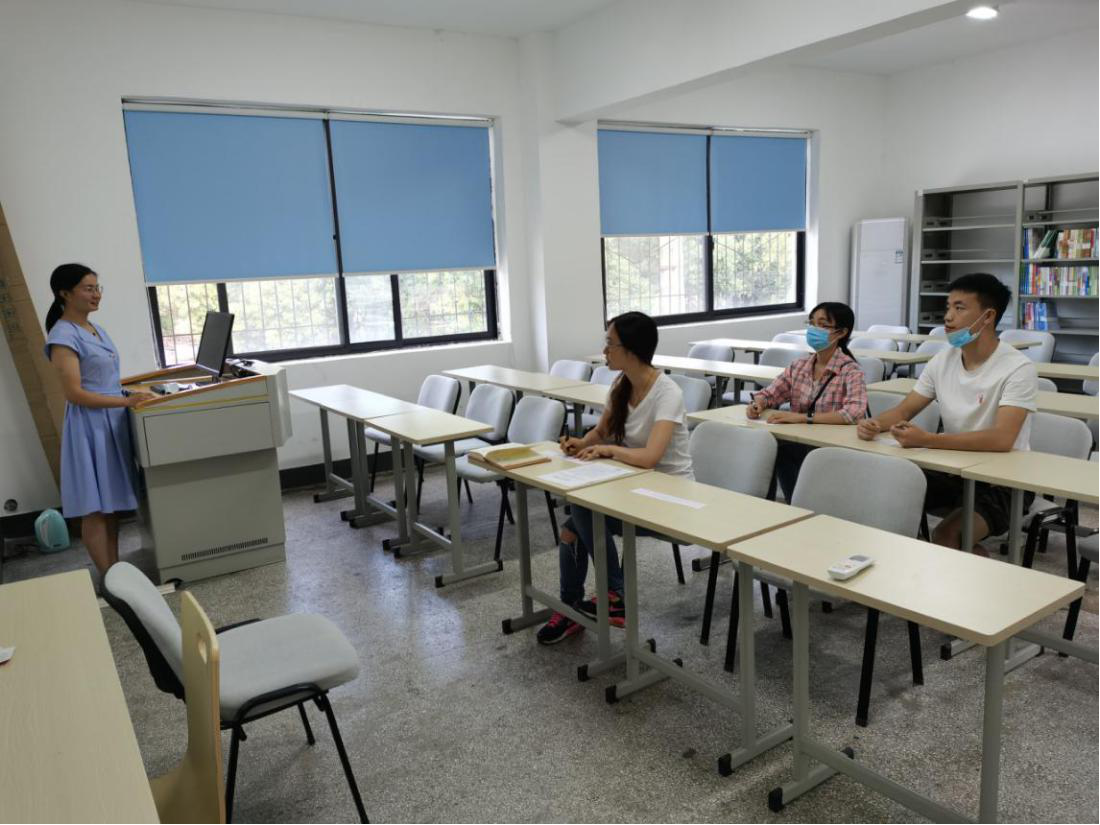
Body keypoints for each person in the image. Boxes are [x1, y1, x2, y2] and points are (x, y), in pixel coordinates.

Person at [536, 311, 694, 644]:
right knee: (575, 522)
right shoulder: (621, 385)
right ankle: (577, 607)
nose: (605, 351)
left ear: (631, 350)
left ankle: (613, 594)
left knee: (581, 512)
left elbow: (650, 458)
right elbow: (602, 431)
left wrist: (609, 451)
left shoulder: (667, 392)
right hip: (634, 487)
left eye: (610, 344)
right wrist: (583, 442)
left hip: (671, 498)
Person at [857, 273, 1037, 553]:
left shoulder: (1018, 368)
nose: (948, 317)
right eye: (948, 307)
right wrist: (874, 424)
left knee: (948, 535)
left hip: (1002, 482)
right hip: (952, 469)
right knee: (883, 496)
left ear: (988, 316)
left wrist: (928, 440)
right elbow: (905, 409)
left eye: (959, 308)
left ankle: (980, 577)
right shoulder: (943, 360)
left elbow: (1002, 439)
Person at [43, 263, 152, 577]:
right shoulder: (63, 335)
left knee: (110, 505)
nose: (96, 294)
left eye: (97, 288)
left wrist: (128, 392)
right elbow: (75, 393)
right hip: (90, 427)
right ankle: (108, 579)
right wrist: (126, 401)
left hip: (110, 422)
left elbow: (103, 378)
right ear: (65, 294)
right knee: (95, 508)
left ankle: (115, 572)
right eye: (88, 289)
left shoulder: (94, 329)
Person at [746, 301, 867, 500]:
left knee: (781, 451)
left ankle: (800, 504)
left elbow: (854, 413)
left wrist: (802, 418)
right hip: (800, 441)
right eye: (811, 323)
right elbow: (770, 393)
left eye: (822, 325)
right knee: (767, 448)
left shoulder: (850, 370)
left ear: (841, 332)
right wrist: (757, 404)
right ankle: (777, 506)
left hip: (833, 447)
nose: (814, 329)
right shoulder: (799, 366)